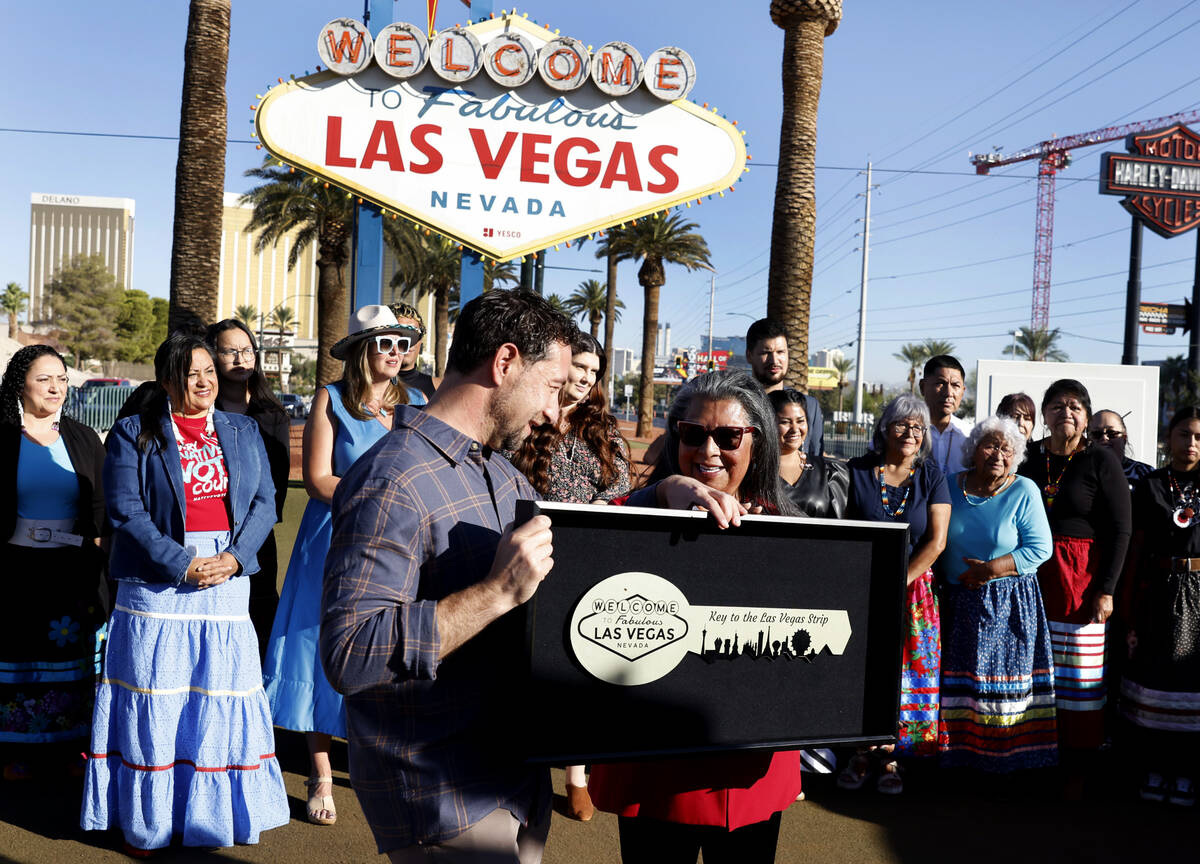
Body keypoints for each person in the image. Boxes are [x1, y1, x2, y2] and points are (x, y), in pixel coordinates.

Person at [319, 290, 575, 862]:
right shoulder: (393, 478)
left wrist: (667, 495)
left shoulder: (502, 473)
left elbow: (574, 548)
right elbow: (351, 654)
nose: (555, 411)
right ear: (505, 363)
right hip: (445, 796)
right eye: (553, 387)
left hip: (511, 782)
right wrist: (495, 594)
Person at [81, 333, 287, 854]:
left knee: (217, 695)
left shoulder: (241, 429)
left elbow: (266, 502)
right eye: (192, 373)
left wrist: (236, 558)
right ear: (167, 380)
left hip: (227, 577)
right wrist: (182, 563)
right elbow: (127, 510)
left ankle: (210, 821)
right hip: (159, 583)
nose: (205, 381)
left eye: (209, 371)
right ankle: (149, 823)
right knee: (158, 696)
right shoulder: (134, 432)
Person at [589, 370, 802, 864]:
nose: (708, 450)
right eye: (692, 434)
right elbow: (591, 535)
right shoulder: (637, 510)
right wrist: (664, 493)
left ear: (758, 443)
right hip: (655, 767)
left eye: (728, 436)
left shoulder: (792, 532)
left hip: (750, 772)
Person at [263, 304, 424, 827]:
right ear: (361, 349)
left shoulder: (419, 402)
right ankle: (320, 771)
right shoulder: (330, 398)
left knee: (390, 645)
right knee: (318, 645)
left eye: (403, 343)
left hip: (399, 543)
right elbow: (316, 479)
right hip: (335, 535)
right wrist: (377, 503)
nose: (397, 353)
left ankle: (385, 760)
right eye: (385, 343)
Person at [507, 331, 631, 823]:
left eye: (593, 372)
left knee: (582, 662)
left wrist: (593, 523)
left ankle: (576, 774)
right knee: (527, 664)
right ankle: (518, 760)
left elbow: (620, 488)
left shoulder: (603, 429)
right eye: (578, 366)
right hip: (527, 554)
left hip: (586, 560)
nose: (584, 378)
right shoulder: (527, 417)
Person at [0, 346, 108, 781]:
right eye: (45, 378)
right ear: (20, 383)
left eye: (62, 378)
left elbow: (100, 506)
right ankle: (12, 752)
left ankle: (68, 749)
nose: (55, 387)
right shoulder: (2, 436)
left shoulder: (82, 438)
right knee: (16, 657)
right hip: (13, 569)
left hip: (72, 570)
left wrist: (101, 559)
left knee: (69, 659)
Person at [842, 393, 950, 794]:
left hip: (914, 593)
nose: (909, 433)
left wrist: (898, 581)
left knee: (906, 676)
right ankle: (859, 751)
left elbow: (936, 542)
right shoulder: (857, 470)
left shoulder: (932, 477)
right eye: (901, 424)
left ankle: (891, 756)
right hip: (861, 587)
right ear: (884, 428)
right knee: (862, 672)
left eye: (918, 427)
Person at [1016, 379, 1131, 757]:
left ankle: (1076, 763)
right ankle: (1030, 756)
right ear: (1045, 415)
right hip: (1029, 577)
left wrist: (1107, 589)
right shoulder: (1027, 456)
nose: (1066, 412)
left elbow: (1120, 529)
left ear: (1085, 418)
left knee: (1078, 676)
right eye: (1057, 406)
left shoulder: (1101, 459)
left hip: (1079, 579)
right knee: (1029, 670)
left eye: (1075, 407)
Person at [938, 415, 1057, 773]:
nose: (998, 454)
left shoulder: (1025, 491)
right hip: (956, 602)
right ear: (974, 450)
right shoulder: (948, 485)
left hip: (1007, 604)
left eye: (1007, 448)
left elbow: (1040, 549)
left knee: (1001, 688)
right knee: (960, 685)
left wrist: (988, 570)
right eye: (990, 445)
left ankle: (1008, 766)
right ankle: (957, 760)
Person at [1120, 406, 1200, 805]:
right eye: (1184, 434)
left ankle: (1186, 774)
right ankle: (1153, 768)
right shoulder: (1150, 484)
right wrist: (1130, 608)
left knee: (1192, 683)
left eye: (1199, 437)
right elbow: (1136, 550)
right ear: (1170, 437)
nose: (1191, 443)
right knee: (1155, 682)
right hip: (1157, 592)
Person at [204, 318, 291, 663]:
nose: (241, 359)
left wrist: (244, 544)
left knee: (259, 621)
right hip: (207, 532)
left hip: (255, 539)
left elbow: (276, 492)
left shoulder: (271, 414)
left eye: (247, 351)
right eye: (230, 351)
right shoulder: (202, 411)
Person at [744, 317, 824, 459]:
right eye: (766, 353)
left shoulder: (810, 407)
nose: (774, 361)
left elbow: (815, 461)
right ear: (749, 356)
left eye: (780, 352)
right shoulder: (737, 403)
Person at [769, 388, 847, 518]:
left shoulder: (830, 472)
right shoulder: (752, 471)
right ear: (768, 423)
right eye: (785, 422)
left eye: (800, 421)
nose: (795, 429)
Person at [919, 354, 972, 475]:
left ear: (963, 391)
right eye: (940, 383)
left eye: (955, 385)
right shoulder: (906, 433)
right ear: (922, 387)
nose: (949, 393)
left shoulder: (970, 435)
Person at [1089, 409, 1153, 490]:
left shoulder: (1145, 474)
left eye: (1112, 433)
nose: (1104, 438)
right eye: (1096, 434)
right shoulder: (1079, 472)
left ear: (1124, 438)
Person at [388, 301, 437, 399]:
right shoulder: (365, 386)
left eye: (413, 335)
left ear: (421, 343)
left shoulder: (438, 388)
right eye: (400, 334)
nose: (407, 342)